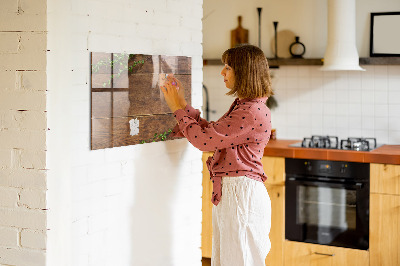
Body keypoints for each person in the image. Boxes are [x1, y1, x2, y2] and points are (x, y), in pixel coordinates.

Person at [161, 44, 273, 266]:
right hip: (236, 193)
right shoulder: (246, 106)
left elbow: (204, 141)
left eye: (228, 67)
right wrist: (182, 104)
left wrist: (176, 108)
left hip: (241, 195)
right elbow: (212, 133)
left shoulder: (250, 111)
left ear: (244, 72)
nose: (222, 72)